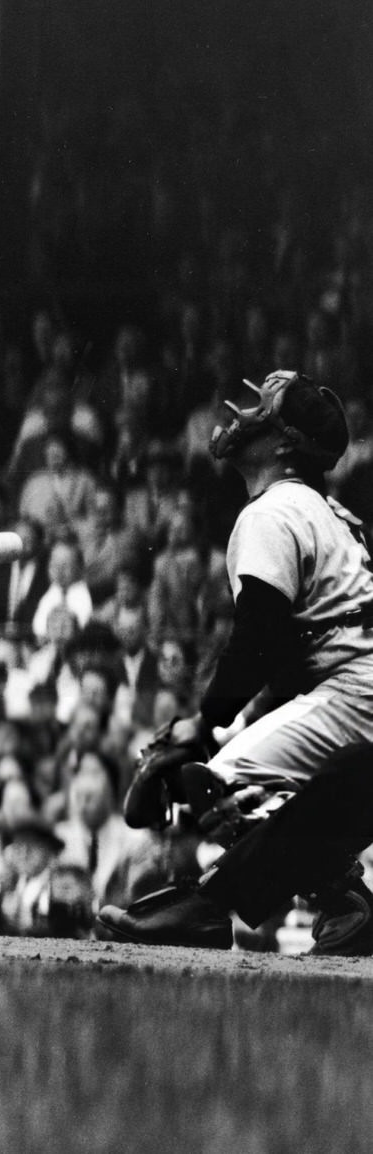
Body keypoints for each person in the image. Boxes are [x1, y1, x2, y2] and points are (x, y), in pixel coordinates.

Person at [97, 370, 373, 956]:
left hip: (359, 693)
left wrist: (206, 721)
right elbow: (297, 665)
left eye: (265, 410)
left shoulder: (274, 511)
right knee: (248, 778)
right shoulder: (327, 512)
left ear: (284, 443)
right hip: (353, 694)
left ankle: (209, 909)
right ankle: (343, 899)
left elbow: (259, 640)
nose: (246, 414)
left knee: (221, 784)